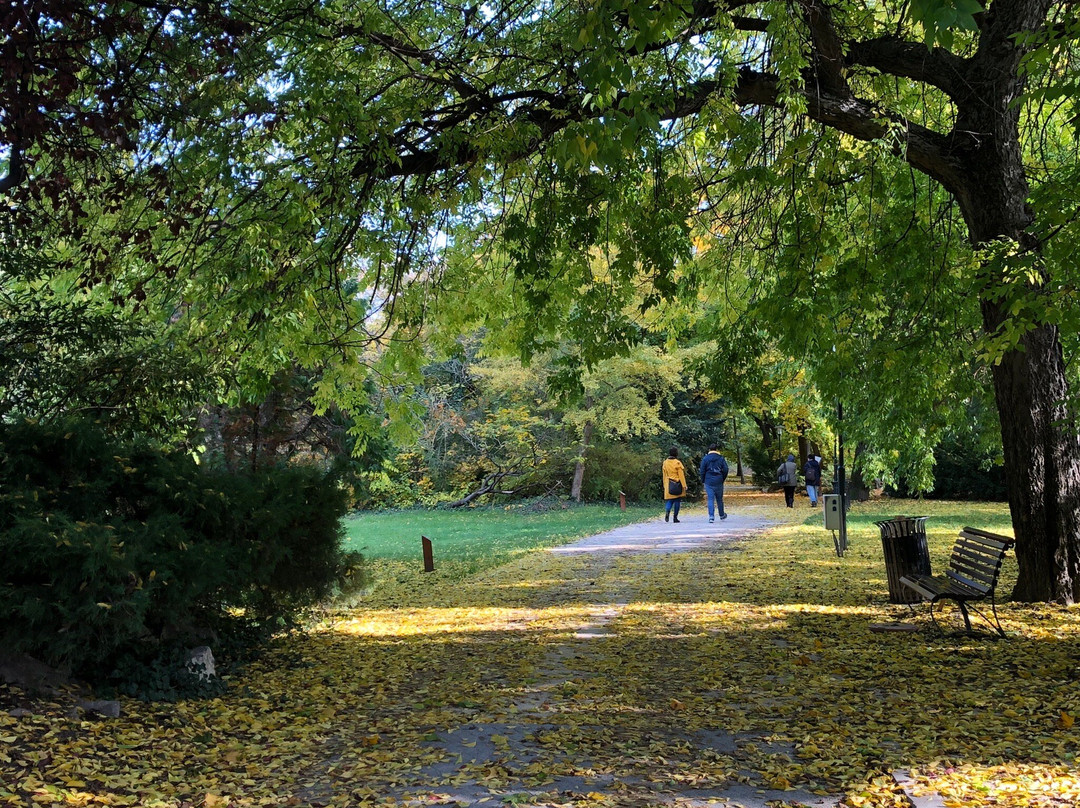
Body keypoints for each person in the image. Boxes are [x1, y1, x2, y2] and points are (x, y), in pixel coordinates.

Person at [699, 443, 729, 523]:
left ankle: (711, 517)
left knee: (710, 499)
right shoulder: (721, 458)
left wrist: (703, 480)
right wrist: (722, 478)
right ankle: (722, 515)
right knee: (719, 499)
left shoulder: (705, 459)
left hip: (708, 481)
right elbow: (726, 469)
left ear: (709, 449)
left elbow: (702, 470)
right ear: (716, 449)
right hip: (718, 480)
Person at [662, 447, 687, 523]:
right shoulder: (677, 463)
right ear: (676, 453)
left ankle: (667, 511)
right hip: (677, 483)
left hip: (668, 483)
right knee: (677, 501)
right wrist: (684, 485)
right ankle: (675, 518)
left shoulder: (665, 462)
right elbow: (681, 475)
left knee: (670, 500)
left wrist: (664, 484)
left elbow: (664, 474)